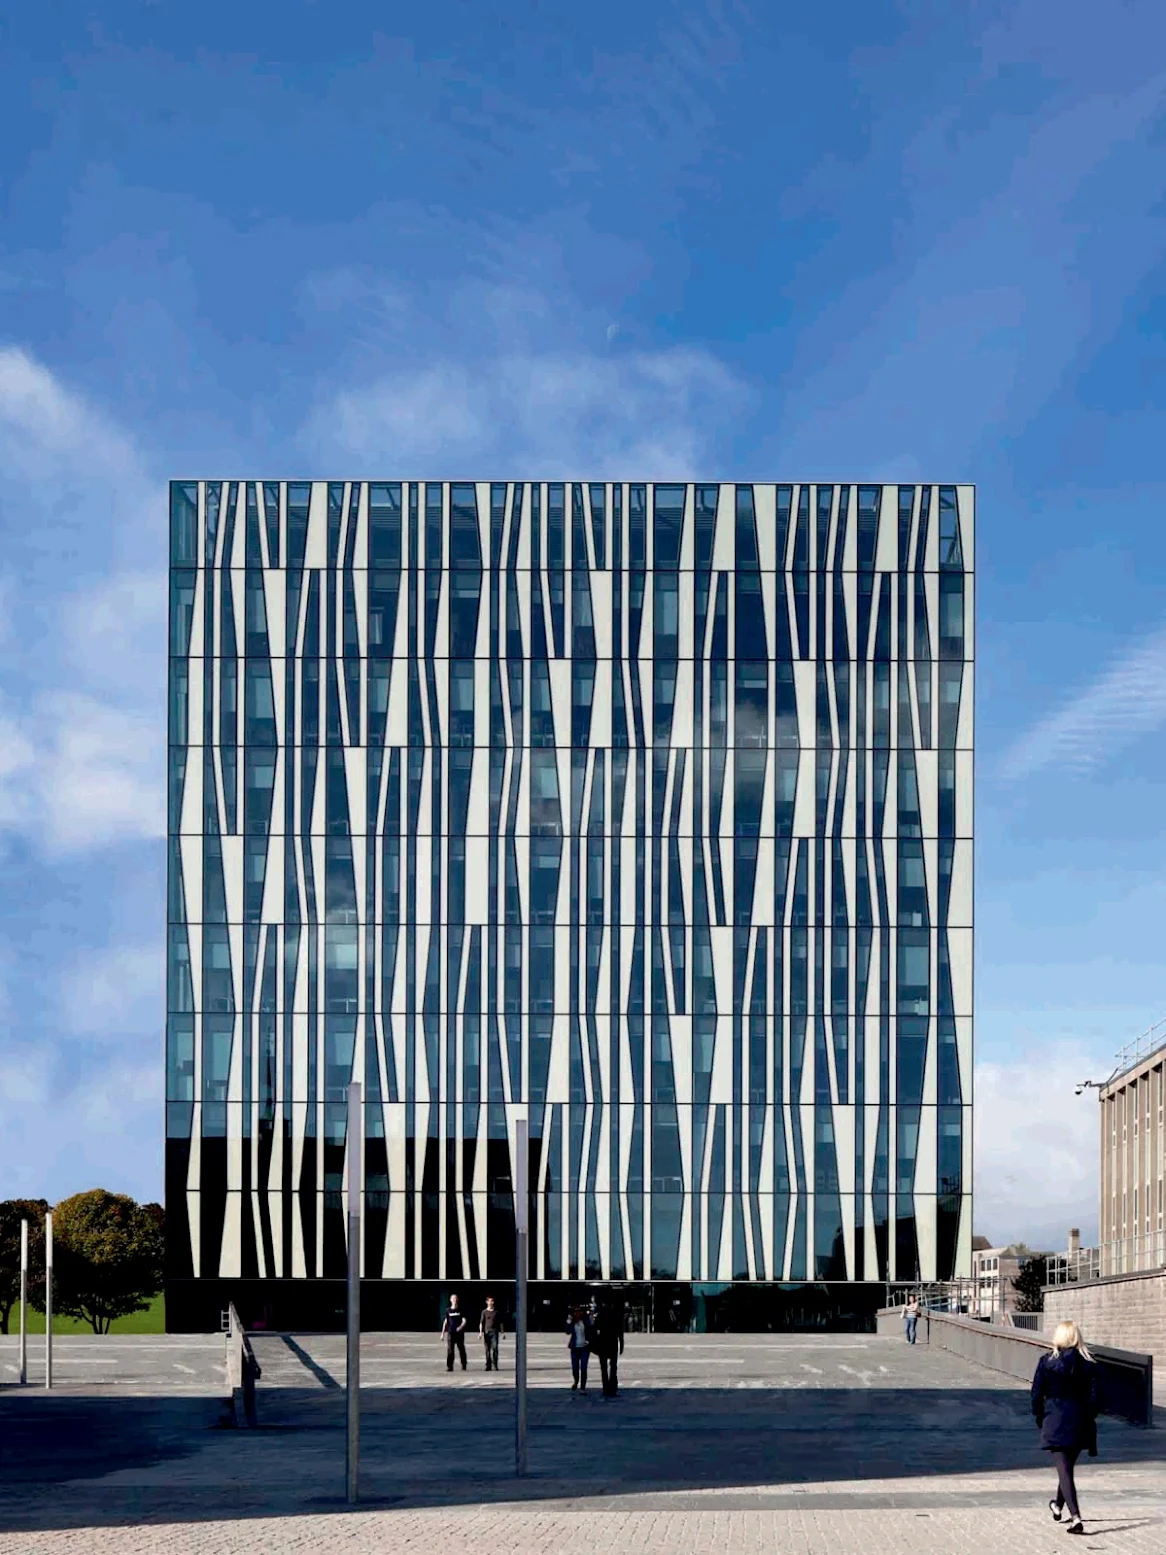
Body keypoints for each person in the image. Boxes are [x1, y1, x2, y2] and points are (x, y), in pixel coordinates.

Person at [1031, 1319, 1099, 1535]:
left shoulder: (1046, 1362)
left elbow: (1036, 1394)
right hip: (1080, 1421)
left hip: (1055, 1419)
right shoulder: (1090, 1364)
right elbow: (1097, 1397)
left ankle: (1076, 1517)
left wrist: (1040, 1416)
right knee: (1067, 1469)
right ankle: (1058, 1505)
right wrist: (1089, 1415)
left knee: (1065, 1470)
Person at [592, 1300, 625, 1398]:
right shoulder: (617, 1315)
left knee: (604, 1368)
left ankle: (606, 1388)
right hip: (613, 1343)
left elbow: (595, 1329)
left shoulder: (600, 1314)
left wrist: (594, 1343)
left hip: (603, 1342)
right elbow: (620, 1332)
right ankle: (612, 1388)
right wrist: (621, 1344)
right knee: (613, 1367)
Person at [565, 1305, 595, 1392]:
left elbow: (591, 1328)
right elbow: (567, 1331)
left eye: (579, 1311)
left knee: (583, 1368)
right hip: (574, 1348)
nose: (577, 1313)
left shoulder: (585, 1321)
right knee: (575, 1367)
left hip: (584, 1348)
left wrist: (591, 1317)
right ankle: (576, 1381)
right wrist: (569, 1320)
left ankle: (583, 1387)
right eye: (576, 1312)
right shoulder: (573, 1322)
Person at [441, 1294, 468, 1372]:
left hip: (459, 1333)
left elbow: (464, 1321)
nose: (454, 1300)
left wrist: (460, 1327)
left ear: (457, 1300)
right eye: (453, 1299)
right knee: (450, 1350)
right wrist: (442, 1334)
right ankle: (450, 1366)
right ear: (450, 1300)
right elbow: (445, 1322)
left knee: (461, 1349)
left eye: (456, 1298)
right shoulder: (448, 1310)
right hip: (451, 1332)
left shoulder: (461, 1310)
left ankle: (464, 1364)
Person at [479, 1295, 503, 1371]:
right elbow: (481, 1323)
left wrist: (502, 1332)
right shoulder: (484, 1312)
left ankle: (495, 1364)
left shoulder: (496, 1312)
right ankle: (488, 1365)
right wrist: (480, 1333)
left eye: (492, 1301)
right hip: (486, 1332)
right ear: (487, 1302)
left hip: (494, 1332)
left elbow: (500, 1322)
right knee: (487, 1349)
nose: (491, 1302)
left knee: (495, 1348)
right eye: (489, 1301)